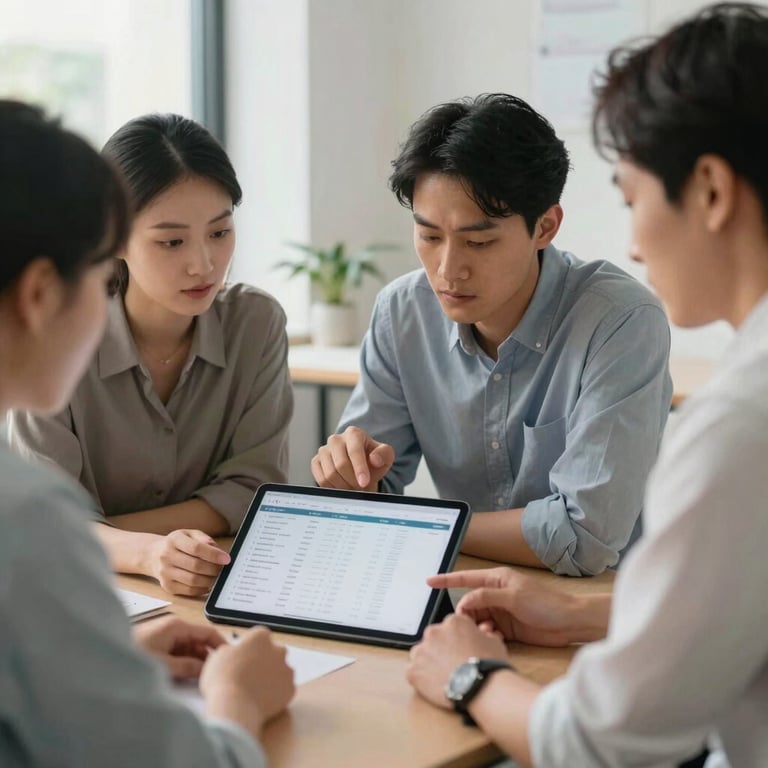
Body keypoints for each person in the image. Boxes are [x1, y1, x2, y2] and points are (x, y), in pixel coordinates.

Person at [406, 3, 768, 767]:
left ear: (709, 190)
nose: (634, 244)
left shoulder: (742, 424)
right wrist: (583, 618)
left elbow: (597, 744)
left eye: (633, 199)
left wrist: (466, 674)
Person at [0, 100, 294, 767]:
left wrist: (108, 662)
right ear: (43, 293)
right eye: (98, 269)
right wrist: (238, 697)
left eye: (221, 232)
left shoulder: (28, 516)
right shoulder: (27, 517)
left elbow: (255, 489)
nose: (203, 262)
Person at [311, 93, 672, 576]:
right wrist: (351, 479)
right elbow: (370, 495)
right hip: (464, 589)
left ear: (545, 226)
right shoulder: (402, 313)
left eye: (478, 242)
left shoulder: (619, 320)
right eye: (429, 236)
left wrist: (420, 527)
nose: (447, 270)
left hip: (603, 605)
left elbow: (585, 538)